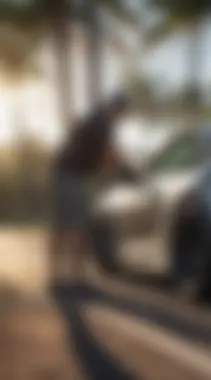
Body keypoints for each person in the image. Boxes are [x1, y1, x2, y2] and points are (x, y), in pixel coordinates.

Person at [50, 93, 131, 291]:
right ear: (116, 109)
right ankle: (74, 280)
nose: (122, 118)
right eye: (123, 113)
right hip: (71, 175)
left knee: (65, 226)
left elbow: (102, 156)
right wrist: (129, 172)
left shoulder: (95, 119)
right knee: (77, 227)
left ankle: (58, 278)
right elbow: (110, 155)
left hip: (66, 173)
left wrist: (113, 170)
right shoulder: (102, 123)